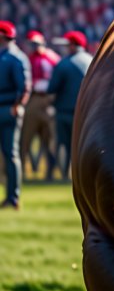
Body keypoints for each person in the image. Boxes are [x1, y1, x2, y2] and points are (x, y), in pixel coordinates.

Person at [47, 31, 92, 179]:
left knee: (64, 145)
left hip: (64, 111)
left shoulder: (64, 63)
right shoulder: (91, 60)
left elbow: (52, 88)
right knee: (81, 145)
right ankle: (81, 174)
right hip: (85, 112)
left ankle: (65, 174)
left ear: (72, 45)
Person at [0, 20, 31, 209]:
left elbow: (25, 87)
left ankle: (13, 197)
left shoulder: (15, 57)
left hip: (8, 109)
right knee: (9, 155)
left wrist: (17, 106)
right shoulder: (8, 56)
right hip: (6, 108)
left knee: (11, 155)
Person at [22, 30, 60, 180]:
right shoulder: (28, 59)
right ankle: (23, 172)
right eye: (32, 44)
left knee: (49, 140)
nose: (34, 46)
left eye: (36, 43)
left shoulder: (52, 58)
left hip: (48, 101)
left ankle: (51, 172)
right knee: (25, 139)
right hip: (33, 100)